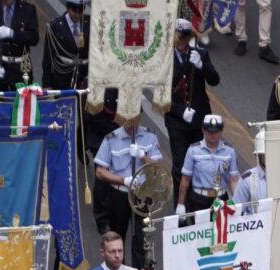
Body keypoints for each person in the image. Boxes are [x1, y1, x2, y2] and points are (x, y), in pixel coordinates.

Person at [90, 115, 161, 257]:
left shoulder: (150, 136)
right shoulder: (111, 139)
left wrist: (142, 156)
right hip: (119, 194)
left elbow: (158, 169)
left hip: (142, 194)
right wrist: (124, 180)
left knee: (142, 239)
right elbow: (100, 171)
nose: (131, 121)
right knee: (117, 238)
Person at [166, 21, 220, 178]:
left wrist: (201, 66)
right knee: (180, 166)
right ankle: (181, 202)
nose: (181, 43)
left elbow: (214, 80)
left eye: (184, 39)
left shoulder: (200, 54)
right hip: (176, 120)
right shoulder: (164, 58)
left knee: (201, 163)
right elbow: (160, 93)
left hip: (198, 118)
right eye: (179, 39)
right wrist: (180, 111)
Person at [178, 114, 237, 213]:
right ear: (203, 130)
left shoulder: (230, 152)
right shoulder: (193, 150)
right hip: (198, 200)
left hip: (221, 199)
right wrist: (180, 204)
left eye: (216, 131)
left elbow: (233, 180)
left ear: (221, 131)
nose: (213, 135)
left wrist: (237, 201)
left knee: (221, 228)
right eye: (209, 131)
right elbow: (185, 179)